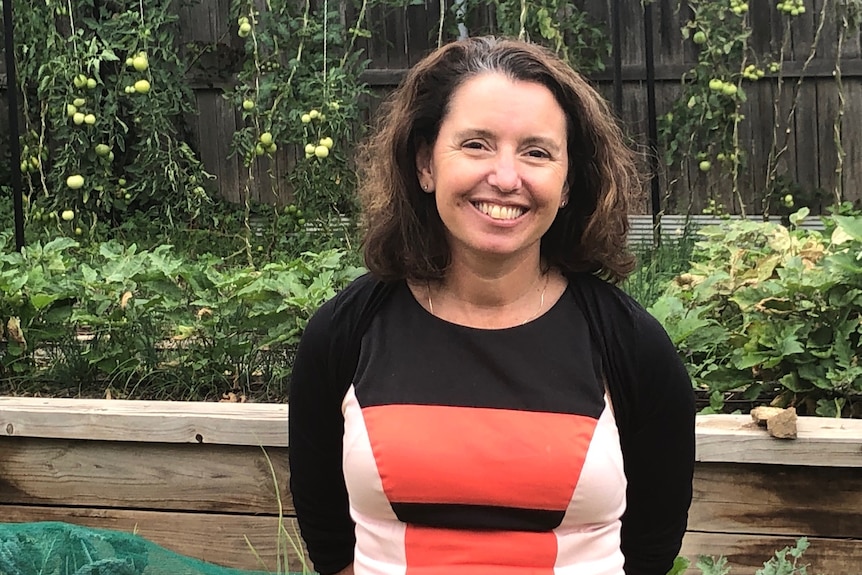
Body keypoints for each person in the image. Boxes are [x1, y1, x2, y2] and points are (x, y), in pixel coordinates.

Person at [289, 36, 695, 575]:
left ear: (568, 181)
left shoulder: (632, 346)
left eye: (536, 152)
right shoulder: (344, 334)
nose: (506, 178)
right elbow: (328, 540)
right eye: (476, 144)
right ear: (425, 164)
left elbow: (651, 546)